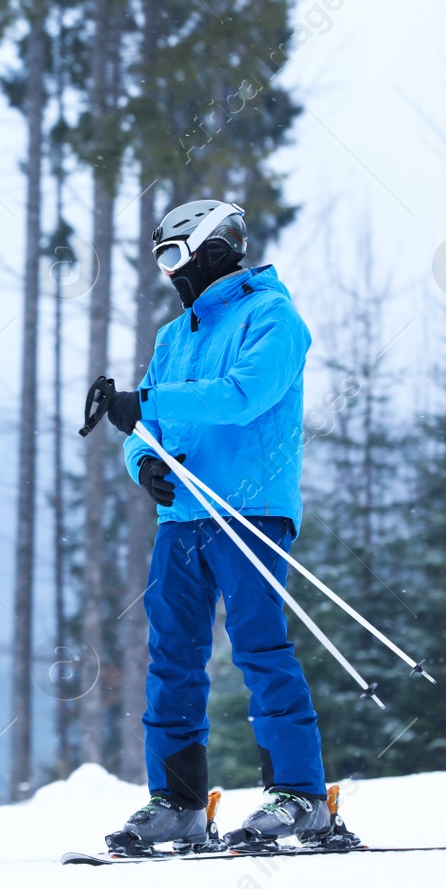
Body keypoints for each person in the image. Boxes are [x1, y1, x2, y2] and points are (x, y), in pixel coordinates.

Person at [99, 199, 337, 854]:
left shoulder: (274, 318)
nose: (169, 274)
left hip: (249, 507)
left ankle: (300, 795)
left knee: (259, 646)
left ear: (212, 249)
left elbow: (242, 396)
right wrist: (142, 458)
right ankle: (177, 801)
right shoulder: (176, 337)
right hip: (183, 516)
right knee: (173, 655)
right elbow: (150, 422)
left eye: (174, 257)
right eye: (159, 262)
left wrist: (143, 403)